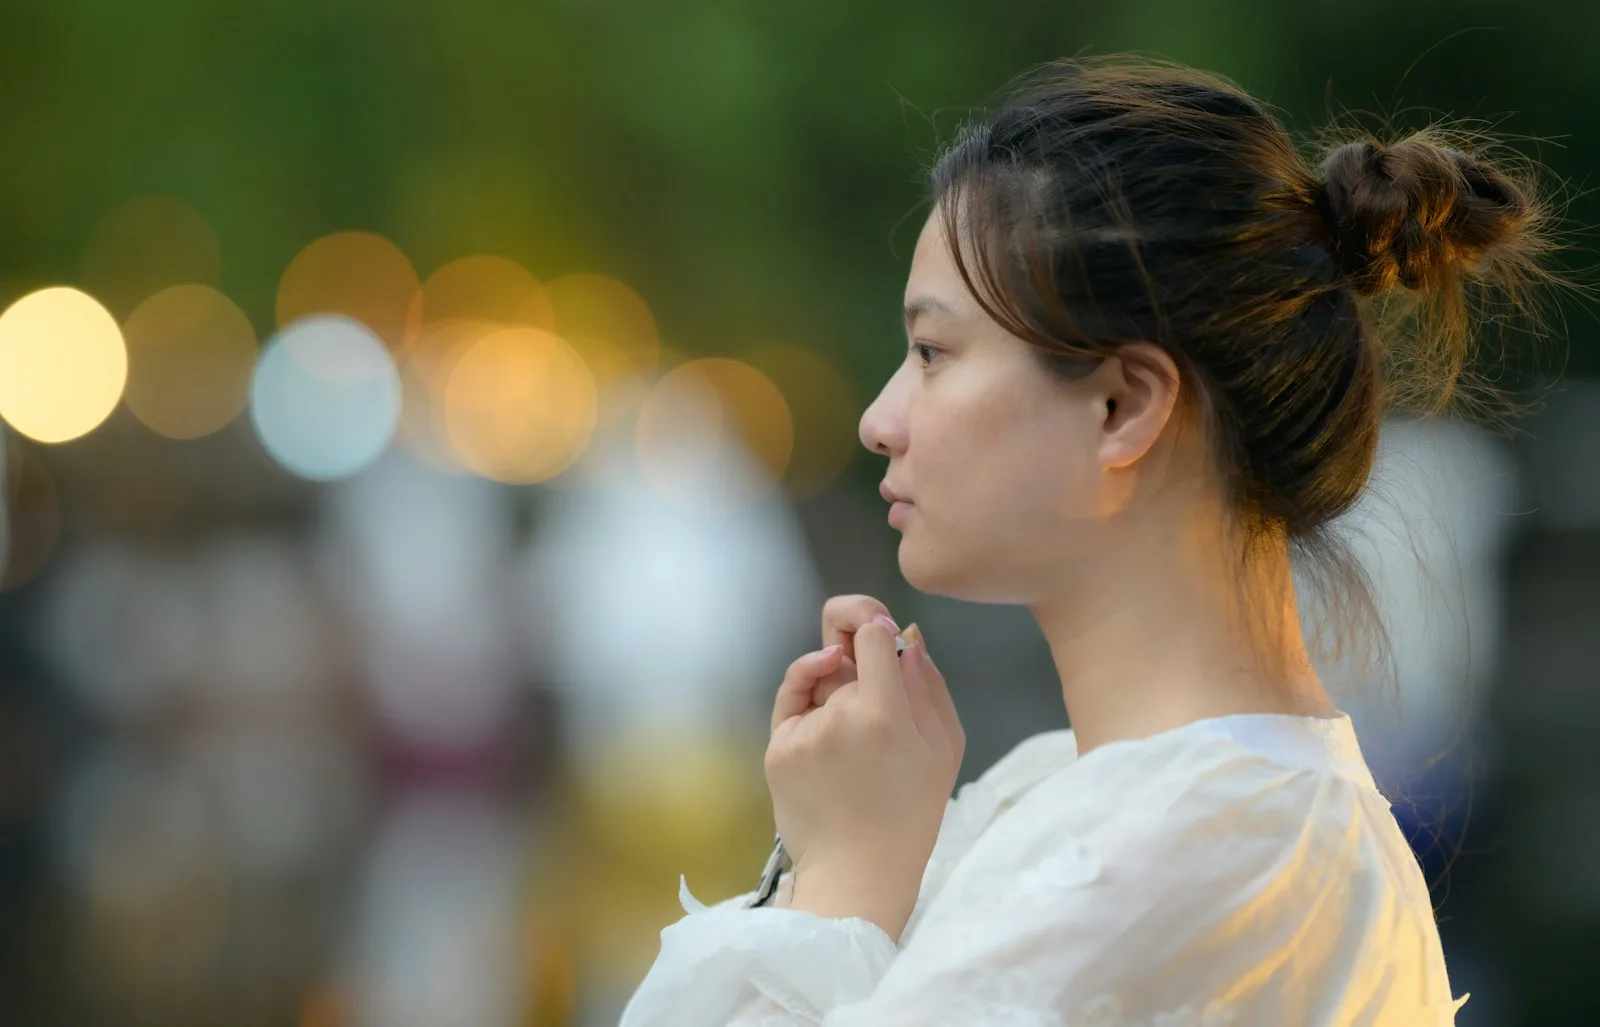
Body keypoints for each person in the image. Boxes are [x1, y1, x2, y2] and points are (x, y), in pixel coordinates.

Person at [619, 55, 1551, 1026]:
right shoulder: (1144, 803)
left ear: (1121, 404)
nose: (879, 418)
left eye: (933, 352)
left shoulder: (1194, 844)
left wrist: (846, 876)